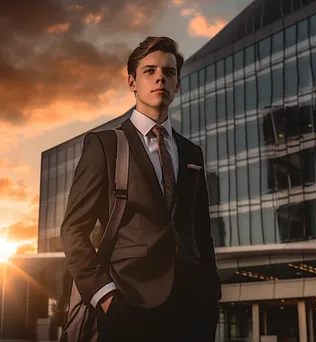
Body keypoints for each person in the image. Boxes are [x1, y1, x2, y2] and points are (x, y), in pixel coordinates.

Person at [60, 36, 221, 342]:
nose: (161, 77)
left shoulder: (191, 154)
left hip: (191, 310)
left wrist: (210, 293)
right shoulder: (105, 145)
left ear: (178, 84)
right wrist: (105, 297)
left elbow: (201, 231)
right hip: (126, 305)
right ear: (132, 82)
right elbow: (72, 231)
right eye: (149, 71)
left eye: (169, 72)